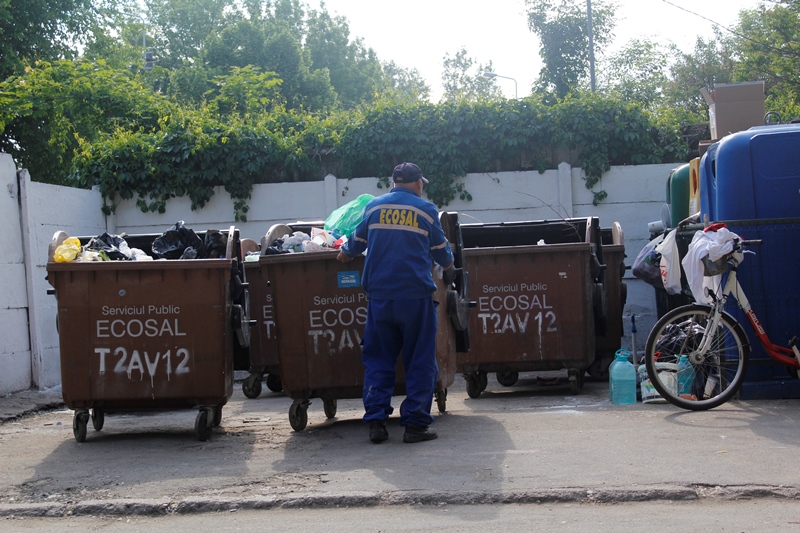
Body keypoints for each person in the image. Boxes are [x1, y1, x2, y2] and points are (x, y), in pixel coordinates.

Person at [336, 162, 456, 444]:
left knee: (379, 359)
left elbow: (356, 242)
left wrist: (345, 254)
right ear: (418, 183)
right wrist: (450, 266)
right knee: (420, 360)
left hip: (380, 299)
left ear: (393, 183)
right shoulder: (425, 210)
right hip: (415, 299)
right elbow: (442, 254)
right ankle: (415, 425)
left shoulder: (374, 207)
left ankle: (376, 423)